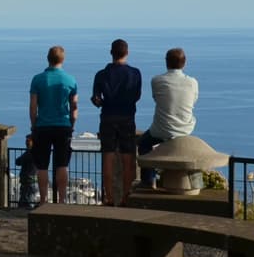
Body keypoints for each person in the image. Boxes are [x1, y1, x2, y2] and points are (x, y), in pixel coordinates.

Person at [91, 38, 143, 207]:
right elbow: (137, 96)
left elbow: (97, 99)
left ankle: (109, 197)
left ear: (111, 53)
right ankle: (126, 196)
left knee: (108, 157)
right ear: (127, 53)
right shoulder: (135, 73)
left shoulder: (101, 74)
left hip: (107, 118)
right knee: (128, 158)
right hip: (127, 118)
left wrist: (100, 102)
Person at [28, 46, 79, 206]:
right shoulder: (71, 80)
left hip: (43, 126)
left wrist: (34, 125)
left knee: (42, 166)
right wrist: (72, 124)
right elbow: (74, 108)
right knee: (62, 164)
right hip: (63, 126)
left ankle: (43, 200)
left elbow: (33, 107)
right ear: (62, 59)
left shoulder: (37, 79)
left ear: (48, 58)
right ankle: (62, 200)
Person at [142, 47, 200, 185]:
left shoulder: (157, 80)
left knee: (144, 144)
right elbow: (193, 101)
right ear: (184, 63)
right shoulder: (192, 82)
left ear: (166, 62)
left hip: (161, 130)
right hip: (185, 130)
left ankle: (149, 181)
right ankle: (193, 183)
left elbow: (157, 98)